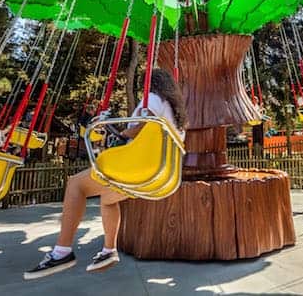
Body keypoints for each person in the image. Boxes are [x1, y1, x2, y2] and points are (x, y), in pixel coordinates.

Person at [24, 69, 187, 279]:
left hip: (137, 165)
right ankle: (109, 250)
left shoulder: (153, 98)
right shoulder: (177, 115)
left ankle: (62, 251)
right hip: (159, 172)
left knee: (76, 184)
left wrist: (121, 133)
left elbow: (144, 125)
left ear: (151, 85)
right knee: (108, 199)